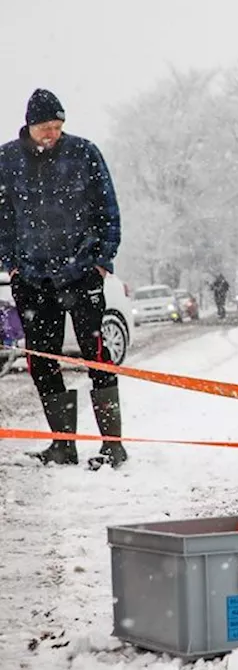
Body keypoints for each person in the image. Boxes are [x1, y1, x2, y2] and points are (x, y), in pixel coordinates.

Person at [0, 89, 127, 469]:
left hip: (82, 274)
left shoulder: (84, 153)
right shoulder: (7, 161)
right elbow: (2, 217)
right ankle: (63, 444)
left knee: (97, 358)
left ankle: (113, 445)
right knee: (43, 361)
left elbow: (108, 208)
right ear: (30, 126)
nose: (51, 134)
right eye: (45, 127)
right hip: (33, 280)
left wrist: (102, 260)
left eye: (57, 126)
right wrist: (12, 263)